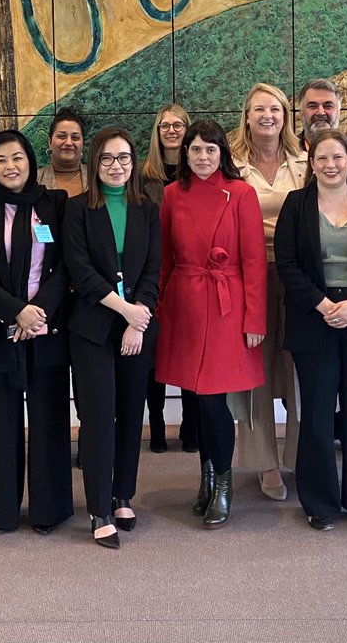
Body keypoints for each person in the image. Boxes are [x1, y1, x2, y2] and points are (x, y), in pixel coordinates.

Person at [274, 130, 347, 531]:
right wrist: (324, 305)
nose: (330, 165)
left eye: (338, 157)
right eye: (322, 158)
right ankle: (320, 502)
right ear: (312, 163)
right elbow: (287, 264)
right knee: (318, 414)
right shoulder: (297, 204)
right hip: (315, 318)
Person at [155, 119, 267, 528]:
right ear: (184, 153)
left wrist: (254, 317)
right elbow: (165, 256)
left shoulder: (241, 193)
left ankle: (222, 482)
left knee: (213, 398)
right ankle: (205, 476)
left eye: (211, 150)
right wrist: (159, 306)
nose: (203, 157)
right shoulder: (171, 194)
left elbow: (254, 261)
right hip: (184, 303)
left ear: (223, 153)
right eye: (196, 150)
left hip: (226, 306)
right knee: (195, 399)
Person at [0, 129, 74, 534]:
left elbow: (65, 267)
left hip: (47, 326)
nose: (10, 167)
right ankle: (5, 513)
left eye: (17, 158)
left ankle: (49, 511)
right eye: (0, 161)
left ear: (30, 160)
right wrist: (17, 314)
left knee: (49, 422)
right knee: (0, 426)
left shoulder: (56, 204)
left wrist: (37, 312)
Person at [65, 128, 161, 549]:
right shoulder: (76, 209)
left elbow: (154, 271)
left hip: (137, 329)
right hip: (92, 327)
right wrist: (125, 313)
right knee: (99, 416)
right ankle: (98, 507)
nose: (116, 166)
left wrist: (137, 320)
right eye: (107, 159)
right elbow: (79, 270)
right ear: (94, 164)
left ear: (134, 163)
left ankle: (123, 494)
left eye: (123, 158)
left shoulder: (147, 208)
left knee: (130, 412)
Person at [226, 83, 306, 501]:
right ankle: (265, 463)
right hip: (247, 277)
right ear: (247, 115)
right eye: (259, 109)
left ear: (285, 115)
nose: (267, 116)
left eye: (275, 109)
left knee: (297, 367)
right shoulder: (231, 164)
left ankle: (299, 455)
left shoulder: (305, 161)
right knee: (254, 370)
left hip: (297, 275)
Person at [140, 103, 198, 454]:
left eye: (179, 125)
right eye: (165, 126)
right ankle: (158, 425)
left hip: (190, 275)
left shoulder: (199, 174)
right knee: (153, 356)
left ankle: (191, 426)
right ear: (157, 132)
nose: (172, 131)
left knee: (192, 352)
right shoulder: (143, 177)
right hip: (154, 274)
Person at [39, 107, 88, 197]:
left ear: (83, 144)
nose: (68, 143)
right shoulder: (35, 180)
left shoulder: (96, 178)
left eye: (75, 137)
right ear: (49, 142)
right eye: (61, 136)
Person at [296, 78, 341, 149]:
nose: (321, 112)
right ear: (301, 112)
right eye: (313, 106)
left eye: (328, 106)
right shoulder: (285, 152)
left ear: (338, 111)